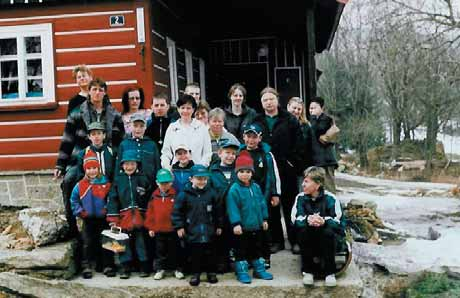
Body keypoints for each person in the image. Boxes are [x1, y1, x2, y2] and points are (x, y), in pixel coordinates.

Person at [54, 77, 125, 239]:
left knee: (116, 184)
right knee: (69, 181)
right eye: (94, 89)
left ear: (105, 92)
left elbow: (121, 140)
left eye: (101, 89)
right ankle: (72, 227)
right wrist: (60, 165)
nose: (97, 92)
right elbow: (67, 139)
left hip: (107, 157)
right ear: (89, 91)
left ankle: (114, 224)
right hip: (82, 157)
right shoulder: (77, 112)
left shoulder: (114, 114)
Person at [253, 87, 305, 254]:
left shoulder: (289, 119)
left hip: (286, 168)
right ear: (261, 103)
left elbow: (299, 144)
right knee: (271, 205)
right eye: (265, 100)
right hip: (266, 170)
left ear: (277, 100)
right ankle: (276, 241)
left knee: (290, 204)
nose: (268, 102)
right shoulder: (257, 120)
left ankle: (295, 240)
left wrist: (292, 163)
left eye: (271, 99)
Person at [291, 166, 345, 287]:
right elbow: (295, 219)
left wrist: (323, 221)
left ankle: (329, 272)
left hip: (328, 239)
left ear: (318, 184)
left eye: (307, 181)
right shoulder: (300, 198)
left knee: (328, 232)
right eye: (303, 181)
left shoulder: (331, 198)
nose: (303, 184)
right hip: (309, 237)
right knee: (303, 230)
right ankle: (308, 271)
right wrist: (308, 219)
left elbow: (339, 221)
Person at [171, 164, 224, 286]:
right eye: (199, 178)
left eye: (204, 179)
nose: (202, 181)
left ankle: (211, 272)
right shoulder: (184, 194)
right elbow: (177, 212)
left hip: (209, 230)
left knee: (211, 253)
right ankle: (196, 274)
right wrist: (179, 226)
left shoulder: (212, 193)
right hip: (192, 230)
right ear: (191, 179)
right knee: (195, 254)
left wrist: (219, 226)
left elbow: (218, 211)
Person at [226, 151, 273, 284]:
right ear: (236, 173)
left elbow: (262, 203)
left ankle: (259, 269)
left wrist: (264, 219)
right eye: (241, 171)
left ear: (252, 173)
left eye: (248, 171)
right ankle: (241, 271)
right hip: (242, 227)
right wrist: (236, 223)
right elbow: (232, 207)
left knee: (256, 248)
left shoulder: (256, 187)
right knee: (241, 250)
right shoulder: (234, 189)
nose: (245, 174)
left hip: (256, 225)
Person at [70, 151, 116, 279]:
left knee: (106, 241)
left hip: (103, 218)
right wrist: (80, 211)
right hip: (88, 218)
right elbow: (74, 200)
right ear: (85, 170)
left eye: (94, 168)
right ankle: (86, 266)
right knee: (87, 242)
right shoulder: (80, 185)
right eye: (89, 168)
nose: (92, 171)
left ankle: (107, 265)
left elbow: (111, 198)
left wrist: (107, 209)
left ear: (98, 168)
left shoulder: (105, 183)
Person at [240, 123, 281, 267]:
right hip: (244, 196)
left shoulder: (267, 155)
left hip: (262, 196)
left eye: (254, 137)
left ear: (260, 138)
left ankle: (265, 257)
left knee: (263, 227)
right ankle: (248, 257)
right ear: (244, 137)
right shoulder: (240, 153)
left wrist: (275, 194)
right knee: (246, 228)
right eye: (248, 136)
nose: (251, 140)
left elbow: (273, 175)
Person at [107, 150, 152, 279]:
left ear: (137, 164)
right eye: (126, 164)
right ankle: (125, 267)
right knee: (122, 242)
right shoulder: (118, 180)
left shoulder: (143, 179)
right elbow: (113, 199)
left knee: (141, 242)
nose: (129, 167)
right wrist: (113, 218)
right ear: (121, 165)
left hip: (139, 217)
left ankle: (143, 266)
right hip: (123, 218)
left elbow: (149, 198)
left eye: (132, 164)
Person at [144, 169, 184, 280]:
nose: (164, 185)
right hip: (159, 230)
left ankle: (177, 269)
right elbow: (150, 213)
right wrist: (150, 227)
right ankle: (159, 269)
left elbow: (180, 212)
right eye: (162, 183)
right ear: (157, 183)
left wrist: (180, 227)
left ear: (171, 182)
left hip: (173, 229)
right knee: (160, 251)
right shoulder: (154, 196)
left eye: (167, 183)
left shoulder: (176, 195)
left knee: (175, 250)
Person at [209, 139, 239, 272]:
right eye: (227, 152)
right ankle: (221, 260)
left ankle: (236, 259)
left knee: (235, 237)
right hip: (219, 211)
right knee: (220, 236)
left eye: (233, 153)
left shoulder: (239, 171)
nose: (230, 156)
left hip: (235, 211)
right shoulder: (213, 171)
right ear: (220, 153)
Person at [161, 94, 212, 169]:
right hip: (176, 172)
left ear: (193, 109)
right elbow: (166, 152)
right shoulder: (172, 128)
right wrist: (167, 167)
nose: (185, 111)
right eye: (182, 108)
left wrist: (199, 168)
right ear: (178, 109)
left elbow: (207, 153)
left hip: (197, 174)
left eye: (188, 108)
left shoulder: (201, 127)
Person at [115, 114, 160, 182]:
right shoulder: (124, 144)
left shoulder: (152, 145)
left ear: (145, 127)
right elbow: (118, 167)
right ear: (130, 126)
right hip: (129, 184)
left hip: (149, 184)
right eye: (135, 126)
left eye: (141, 126)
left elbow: (157, 166)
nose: (138, 129)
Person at [309, 97, 338, 194]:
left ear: (322, 108)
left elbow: (319, 129)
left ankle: (333, 207)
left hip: (326, 159)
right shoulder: (311, 121)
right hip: (316, 160)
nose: (312, 110)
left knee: (329, 187)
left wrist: (312, 119)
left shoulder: (327, 119)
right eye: (310, 108)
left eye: (314, 108)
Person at [287, 97, 313, 194]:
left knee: (302, 194)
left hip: (302, 167)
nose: (296, 111)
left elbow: (310, 148)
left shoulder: (306, 127)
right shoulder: (282, 124)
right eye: (294, 108)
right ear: (288, 107)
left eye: (299, 109)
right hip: (286, 166)